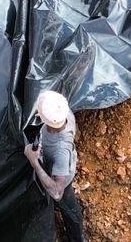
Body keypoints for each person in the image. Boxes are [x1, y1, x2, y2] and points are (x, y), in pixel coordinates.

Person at [25, 90, 86, 242]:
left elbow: (57, 192)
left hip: (62, 180)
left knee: (70, 209)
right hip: (60, 165)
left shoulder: (60, 151)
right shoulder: (66, 114)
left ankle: (77, 238)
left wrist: (34, 162)